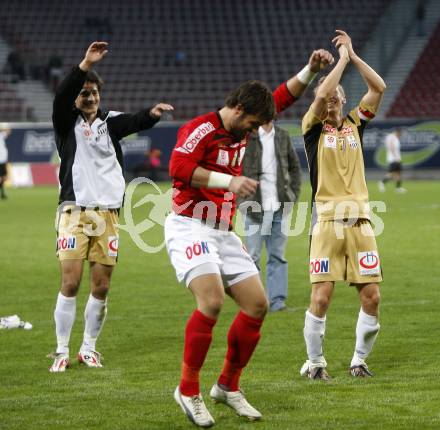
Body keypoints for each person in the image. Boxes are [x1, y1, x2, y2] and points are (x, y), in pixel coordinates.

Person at [165, 49, 333, 427]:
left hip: (223, 230)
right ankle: (188, 390)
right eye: (254, 123)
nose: (256, 130)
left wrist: (310, 69)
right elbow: (178, 167)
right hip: (189, 223)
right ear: (239, 109)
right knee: (210, 302)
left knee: (257, 305)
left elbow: (280, 98)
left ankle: (227, 386)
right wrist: (231, 181)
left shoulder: (247, 121)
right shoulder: (201, 129)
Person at [49, 41, 173, 373]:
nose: (89, 98)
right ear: (76, 97)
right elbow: (62, 96)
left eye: (94, 93)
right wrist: (85, 65)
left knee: (101, 285)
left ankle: (88, 348)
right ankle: (61, 350)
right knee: (71, 282)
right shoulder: (65, 123)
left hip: (108, 215)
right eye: (84, 93)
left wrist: (152, 114)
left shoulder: (110, 122)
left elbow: (134, 121)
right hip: (74, 212)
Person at [300, 30, 386, 380]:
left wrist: (353, 56)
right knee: (321, 297)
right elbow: (320, 93)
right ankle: (316, 363)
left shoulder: (355, 124)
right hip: (327, 225)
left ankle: (358, 360)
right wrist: (341, 63)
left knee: (372, 297)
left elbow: (379, 88)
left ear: (346, 99)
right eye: (329, 96)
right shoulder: (312, 129)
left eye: (339, 95)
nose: (332, 98)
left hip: (362, 223)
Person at [239, 121, 301, 312]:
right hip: (254, 206)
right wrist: (241, 200)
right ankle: (255, 303)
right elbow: (235, 168)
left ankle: (277, 303)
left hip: (279, 206)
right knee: (253, 258)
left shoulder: (282, 135)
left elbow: (294, 167)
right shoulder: (246, 136)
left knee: (278, 257)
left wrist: (292, 196)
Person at [378, 129, 406, 193]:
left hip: (397, 158)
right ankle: (382, 182)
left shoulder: (395, 138)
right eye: (400, 134)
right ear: (397, 132)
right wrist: (395, 157)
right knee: (391, 173)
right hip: (393, 159)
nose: (400, 135)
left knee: (398, 173)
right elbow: (391, 147)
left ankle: (398, 188)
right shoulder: (392, 137)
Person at [0, 123, 11, 200]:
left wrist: (3, 128)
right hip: (1, 160)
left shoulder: (1, 136)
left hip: (3, 160)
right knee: (3, 177)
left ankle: (2, 193)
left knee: (4, 177)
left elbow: (8, 131)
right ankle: (2, 193)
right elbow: (8, 131)